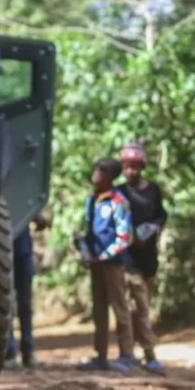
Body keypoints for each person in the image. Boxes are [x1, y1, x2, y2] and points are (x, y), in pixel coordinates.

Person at [76, 158, 139, 373]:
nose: (95, 175)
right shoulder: (92, 201)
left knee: (120, 308)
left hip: (113, 264)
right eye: (95, 169)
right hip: (95, 265)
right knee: (99, 310)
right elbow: (89, 231)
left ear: (110, 177)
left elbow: (124, 237)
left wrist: (103, 256)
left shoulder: (118, 201)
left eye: (100, 171)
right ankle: (100, 355)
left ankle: (127, 355)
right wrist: (83, 249)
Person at [117, 143, 169, 374]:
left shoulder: (153, 190)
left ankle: (137, 352)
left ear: (142, 167)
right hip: (129, 259)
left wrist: (155, 228)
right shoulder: (119, 193)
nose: (131, 172)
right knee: (136, 307)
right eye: (127, 167)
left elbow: (161, 214)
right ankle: (142, 355)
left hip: (149, 258)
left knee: (142, 308)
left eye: (135, 167)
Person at [5, 213, 50, 370]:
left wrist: (37, 216)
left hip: (23, 250)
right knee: (6, 301)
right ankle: (9, 352)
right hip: (2, 250)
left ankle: (28, 352)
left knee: (25, 302)